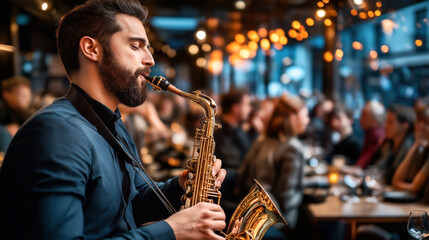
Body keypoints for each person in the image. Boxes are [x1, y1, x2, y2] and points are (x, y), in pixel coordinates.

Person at [0, 1, 227, 239]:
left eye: (147, 47)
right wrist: (172, 231)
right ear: (91, 49)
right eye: (136, 46)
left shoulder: (113, 123)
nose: (150, 59)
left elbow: (128, 208)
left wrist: (179, 187)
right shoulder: (55, 133)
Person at [235, 93, 310, 239]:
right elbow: (287, 199)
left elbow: (243, 176)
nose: (308, 120)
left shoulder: (262, 140)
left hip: (249, 215)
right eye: (305, 115)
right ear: (293, 116)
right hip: (278, 222)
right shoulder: (293, 147)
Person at [368, 104, 415, 185]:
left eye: (390, 122)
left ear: (405, 125)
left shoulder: (411, 148)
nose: (385, 125)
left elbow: (391, 177)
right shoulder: (388, 144)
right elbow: (376, 168)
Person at [356, 100, 386, 168]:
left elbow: (363, 164)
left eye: (364, 115)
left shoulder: (376, 135)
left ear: (375, 119)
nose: (360, 118)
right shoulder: (370, 133)